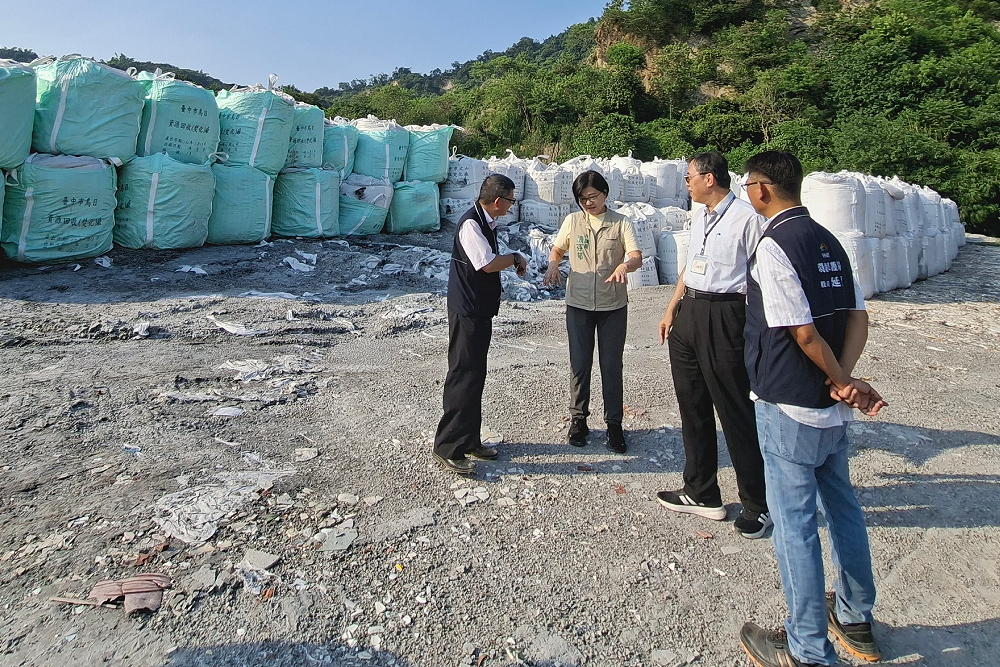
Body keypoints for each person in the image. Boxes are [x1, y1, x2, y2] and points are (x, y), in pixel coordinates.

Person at [736, 151, 886, 667]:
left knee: (795, 525)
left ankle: (805, 648)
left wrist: (840, 381)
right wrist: (844, 383)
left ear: (761, 190)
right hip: (829, 409)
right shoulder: (830, 240)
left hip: (789, 404)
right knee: (843, 506)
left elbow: (800, 332)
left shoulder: (774, 246)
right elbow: (857, 320)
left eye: (749, 184)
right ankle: (854, 616)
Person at [655, 151, 772, 539]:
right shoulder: (700, 214)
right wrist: (672, 308)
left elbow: (764, 276)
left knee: (735, 410)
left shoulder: (747, 219)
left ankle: (758, 503)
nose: (685, 183)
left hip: (726, 316)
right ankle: (701, 490)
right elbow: (691, 265)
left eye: (690, 176)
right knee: (693, 406)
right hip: (690, 313)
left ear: (710, 178)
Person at [543, 170, 643, 453]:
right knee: (579, 364)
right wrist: (553, 264)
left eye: (593, 197)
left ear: (605, 194)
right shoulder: (573, 222)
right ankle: (579, 419)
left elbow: (636, 256)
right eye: (582, 199)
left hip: (613, 305)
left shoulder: (621, 223)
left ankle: (614, 425)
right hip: (578, 305)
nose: (588, 203)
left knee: (611, 367)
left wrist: (625, 265)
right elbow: (558, 249)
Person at [432, 175, 526, 475]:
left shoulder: (487, 222)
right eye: (510, 200)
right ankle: (448, 446)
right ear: (498, 201)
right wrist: (514, 258)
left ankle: (470, 439)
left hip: (479, 310)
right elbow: (486, 263)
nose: (512, 206)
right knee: (463, 375)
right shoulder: (472, 225)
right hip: (467, 311)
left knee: (475, 375)